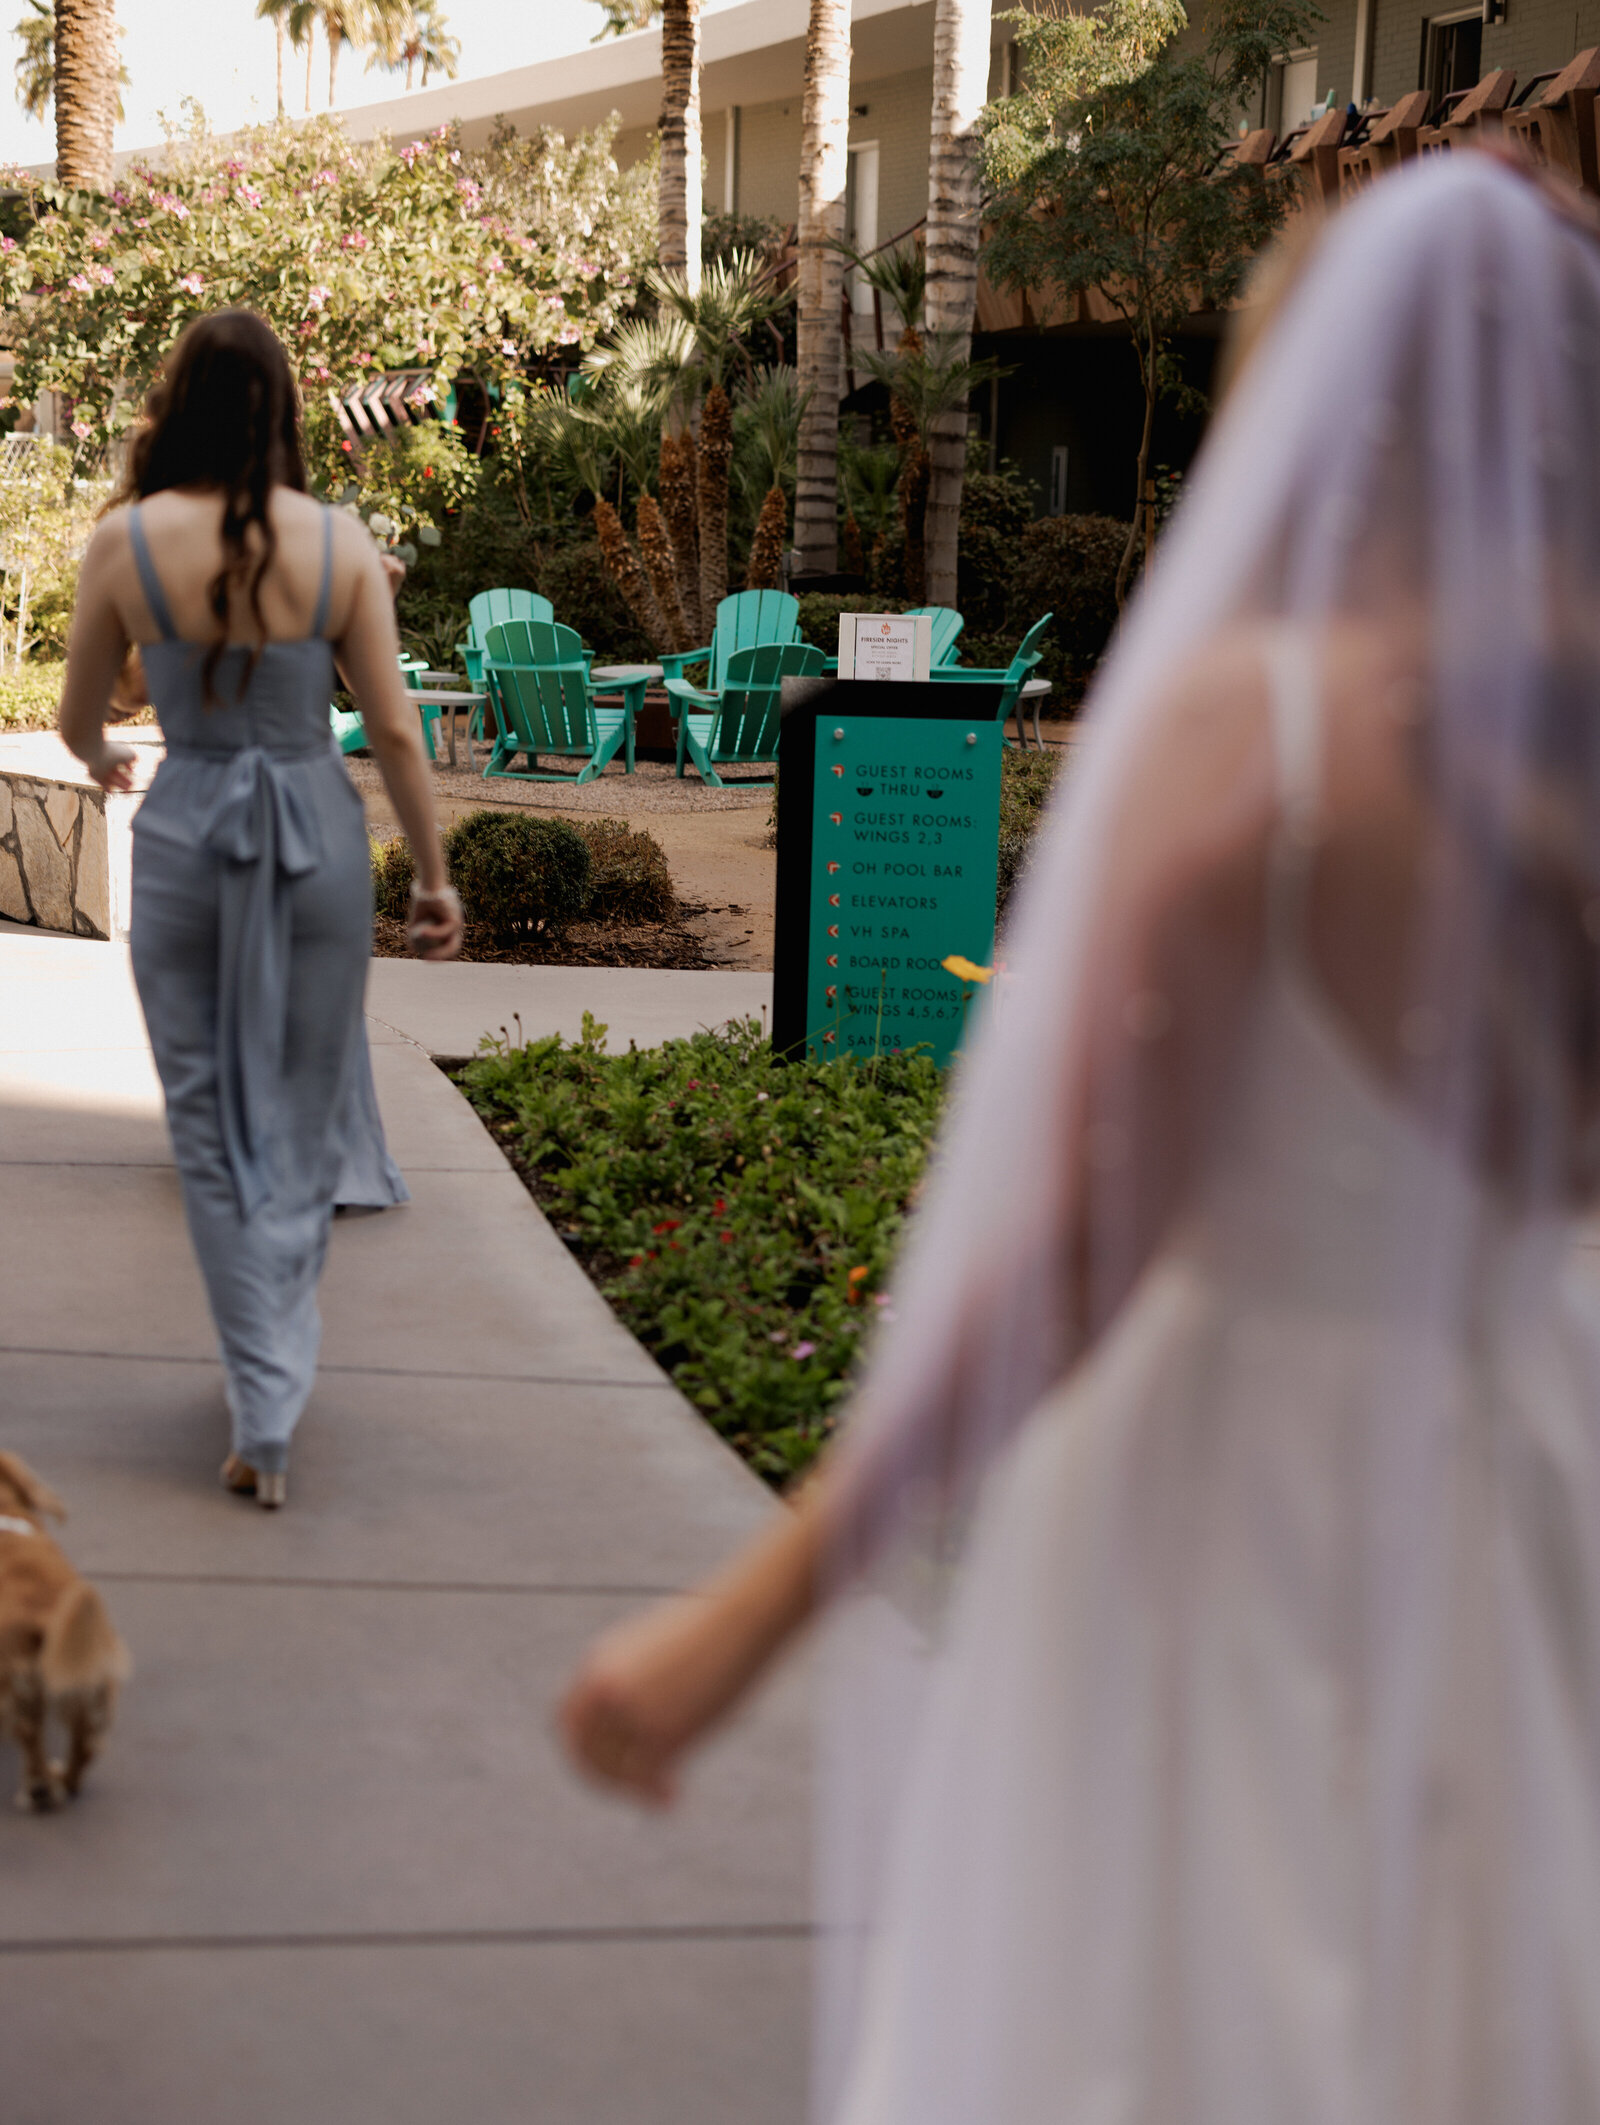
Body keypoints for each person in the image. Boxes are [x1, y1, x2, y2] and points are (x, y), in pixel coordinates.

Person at [562, 153, 1600, 2123]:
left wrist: (740, 1623)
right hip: (1520, 1482)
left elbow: (1066, 1256)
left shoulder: (1250, 731)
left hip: (1236, 1496)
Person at [58, 309, 463, 1512]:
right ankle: (269, 1390)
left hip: (188, 837)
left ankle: (264, 1392)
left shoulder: (123, 541)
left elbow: (85, 717)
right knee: (294, 1121)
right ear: (283, 412)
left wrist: (99, 761)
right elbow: (391, 726)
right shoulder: (338, 542)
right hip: (314, 843)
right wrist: (433, 879)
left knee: (207, 1121)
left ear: (175, 405)